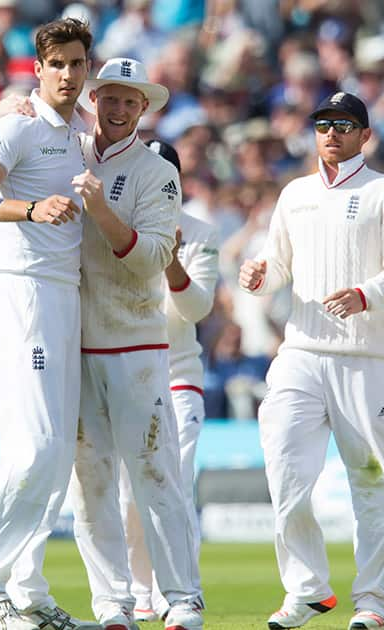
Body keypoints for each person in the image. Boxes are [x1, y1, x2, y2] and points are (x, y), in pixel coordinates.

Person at [239, 91, 384, 630]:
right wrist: (260, 276)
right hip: (300, 351)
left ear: (365, 136)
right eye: (323, 124)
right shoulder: (294, 193)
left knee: (371, 482)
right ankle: (307, 589)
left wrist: (366, 293)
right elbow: (277, 264)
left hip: (365, 357)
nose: (332, 132)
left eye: (344, 124)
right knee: (286, 472)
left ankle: (373, 602)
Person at [0, 18, 101, 630]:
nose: (68, 74)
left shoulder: (77, 133)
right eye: (57, 64)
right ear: (38, 69)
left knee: (55, 452)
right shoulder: (15, 123)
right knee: (36, 448)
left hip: (65, 297)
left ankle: (27, 590)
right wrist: (30, 209)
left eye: (76, 64)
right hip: (24, 295)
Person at [67, 57, 204, 630]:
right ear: (93, 100)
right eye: (110, 97)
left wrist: (99, 211)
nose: (119, 108)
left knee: (155, 474)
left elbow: (152, 258)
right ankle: (113, 604)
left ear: (144, 108)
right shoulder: (67, 152)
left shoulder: (156, 172)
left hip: (136, 344)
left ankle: (182, 598)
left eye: (130, 101)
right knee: (92, 480)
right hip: (76, 342)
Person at [118, 139, 220, 623]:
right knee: (128, 493)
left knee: (174, 481)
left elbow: (194, 309)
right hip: (127, 370)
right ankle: (141, 590)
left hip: (178, 372)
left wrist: (171, 259)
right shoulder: (117, 226)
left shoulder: (201, 232)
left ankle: (180, 591)